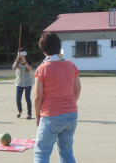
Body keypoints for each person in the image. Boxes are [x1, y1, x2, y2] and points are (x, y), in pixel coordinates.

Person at [34, 32, 81, 163]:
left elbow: (38, 96)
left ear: (44, 51)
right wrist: (70, 104)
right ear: (59, 47)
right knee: (67, 153)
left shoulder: (42, 69)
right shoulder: (71, 65)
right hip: (71, 114)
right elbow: (77, 89)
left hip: (50, 116)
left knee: (41, 154)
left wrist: (37, 115)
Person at [12, 49, 34, 120]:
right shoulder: (17, 61)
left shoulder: (28, 61)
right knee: (18, 99)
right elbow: (13, 67)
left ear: (24, 55)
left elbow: (29, 68)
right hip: (19, 83)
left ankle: (29, 113)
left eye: (22, 55)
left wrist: (25, 62)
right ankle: (20, 111)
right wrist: (17, 60)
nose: (21, 56)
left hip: (28, 83)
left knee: (27, 98)